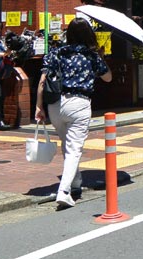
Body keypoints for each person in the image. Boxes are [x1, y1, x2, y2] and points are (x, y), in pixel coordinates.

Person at [34, 18, 111, 209]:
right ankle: (64, 191)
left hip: (55, 104)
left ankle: (75, 182)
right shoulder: (91, 56)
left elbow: (43, 80)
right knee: (74, 148)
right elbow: (108, 78)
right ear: (88, 34)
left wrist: (38, 106)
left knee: (67, 145)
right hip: (79, 103)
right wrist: (100, 58)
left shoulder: (56, 53)